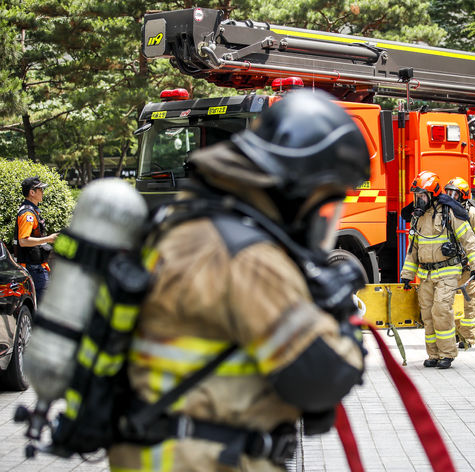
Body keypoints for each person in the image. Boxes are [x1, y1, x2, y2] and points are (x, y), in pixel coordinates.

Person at [108, 91, 368, 471]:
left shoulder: (182, 225)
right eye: (324, 199)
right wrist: (344, 322)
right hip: (203, 460)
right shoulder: (248, 256)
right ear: (294, 188)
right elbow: (321, 377)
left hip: (160, 452)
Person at [400, 171, 475, 369]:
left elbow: (469, 240)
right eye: (417, 196)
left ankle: (447, 353)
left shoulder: (449, 212)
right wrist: (407, 275)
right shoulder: (418, 217)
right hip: (426, 274)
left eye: (421, 195)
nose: (418, 200)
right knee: (427, 315)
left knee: (441, 311)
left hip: (447, 272)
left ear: (432, 194)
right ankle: (434, 354)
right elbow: (413, 250)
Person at [444, 177, 475, 349]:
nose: (450, 197)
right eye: (448, 193)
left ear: (462, 195)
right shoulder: (445, 213)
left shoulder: (471, 213)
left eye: (453, 194)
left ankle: (467, 339)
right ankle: (456, 334)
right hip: (452, 265)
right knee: (453, 301)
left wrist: (467, 249)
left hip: (469, 266)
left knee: (468, 302)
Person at [14, 176, 58, 302]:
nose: (42, 192)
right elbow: (23, 241)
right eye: (40, 190)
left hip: (35, 265)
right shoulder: (27, 214)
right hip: (32, 267)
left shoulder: (32, 211)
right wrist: (49, 239)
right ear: (32, 193)